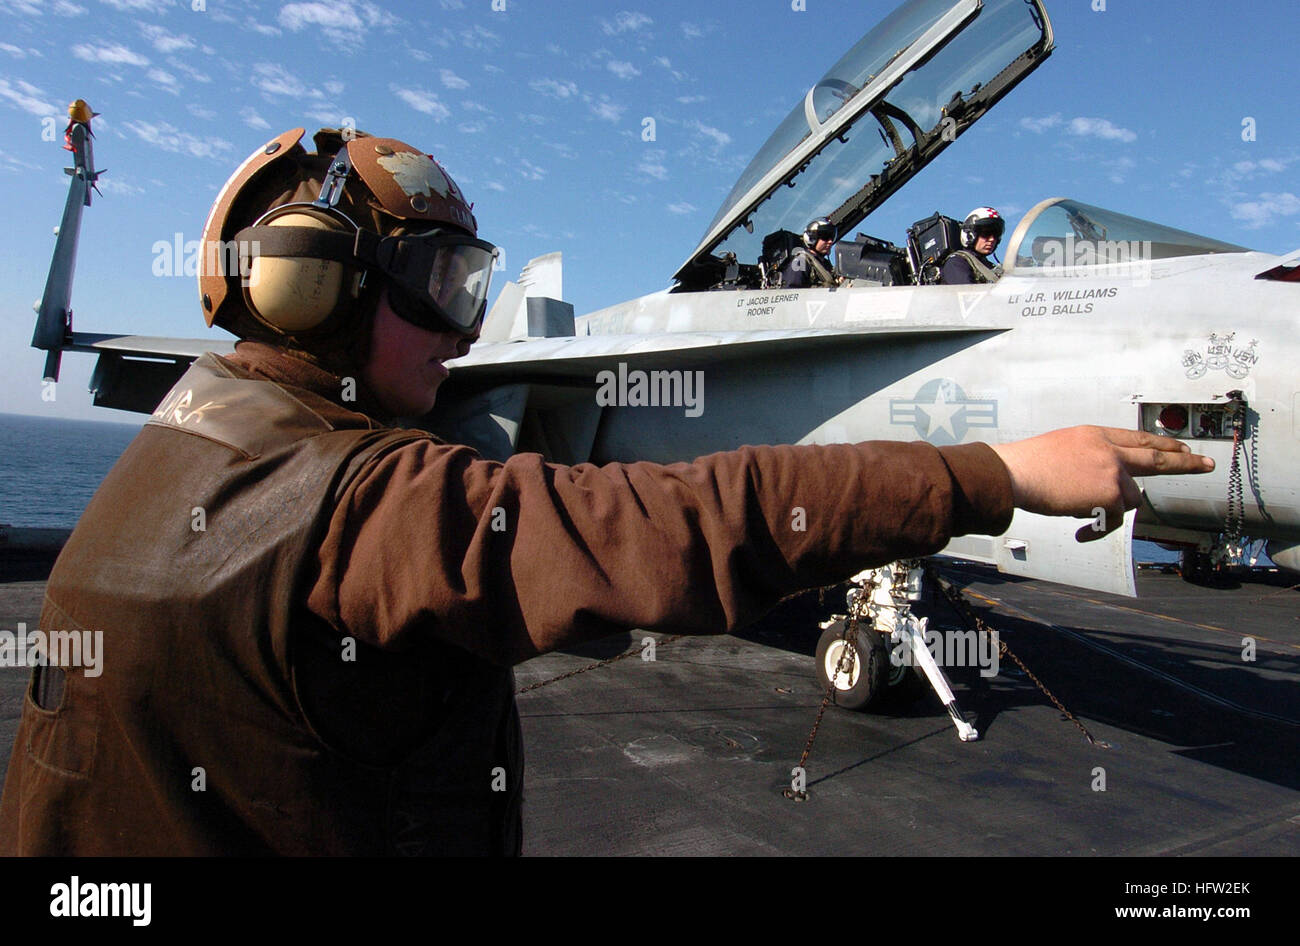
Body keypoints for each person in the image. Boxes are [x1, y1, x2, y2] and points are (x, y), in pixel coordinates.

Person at [0, 127, 1214, 857]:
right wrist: (989, 475)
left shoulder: (182, 454)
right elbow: (662, 527)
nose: (460, 330)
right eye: (432, 283)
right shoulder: (344, 498)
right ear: (314, 288)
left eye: (474, 288)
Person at [941, 206, 1004, 284]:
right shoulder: (957, 263)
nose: (992, 239)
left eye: (996, 234)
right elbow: (965, 293)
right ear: (970, 235)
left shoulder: (989, 267)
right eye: (986, 233)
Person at [779, 217, 842, 288]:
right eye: (826, 237)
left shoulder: (826, 265)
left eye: (832, 237)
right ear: (812, 238)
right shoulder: (800, 261)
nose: (830, 241)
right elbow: (792, 291)